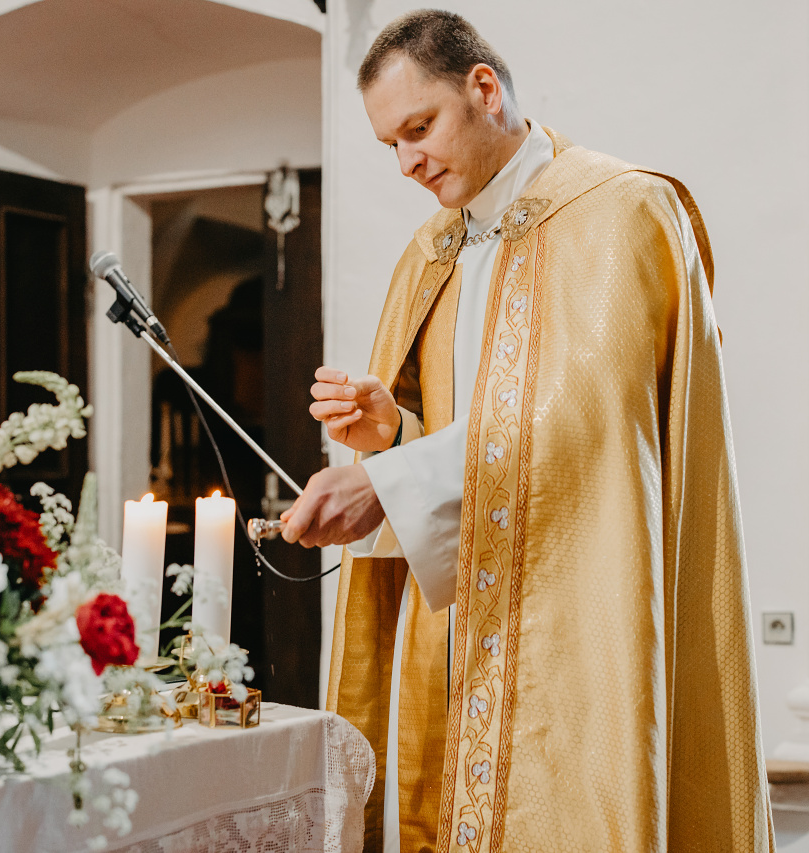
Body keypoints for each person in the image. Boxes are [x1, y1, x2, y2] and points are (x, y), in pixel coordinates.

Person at [280, 10, 773, 853]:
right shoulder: (432, 252)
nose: (407, 163)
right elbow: (478, 430)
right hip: (461, 632)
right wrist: (393, 433)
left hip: (581, 626)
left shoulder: (622, 213)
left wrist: (388, 482)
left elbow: (592, 429)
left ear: (483, 89)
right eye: (389, 145)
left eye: (419, 128)